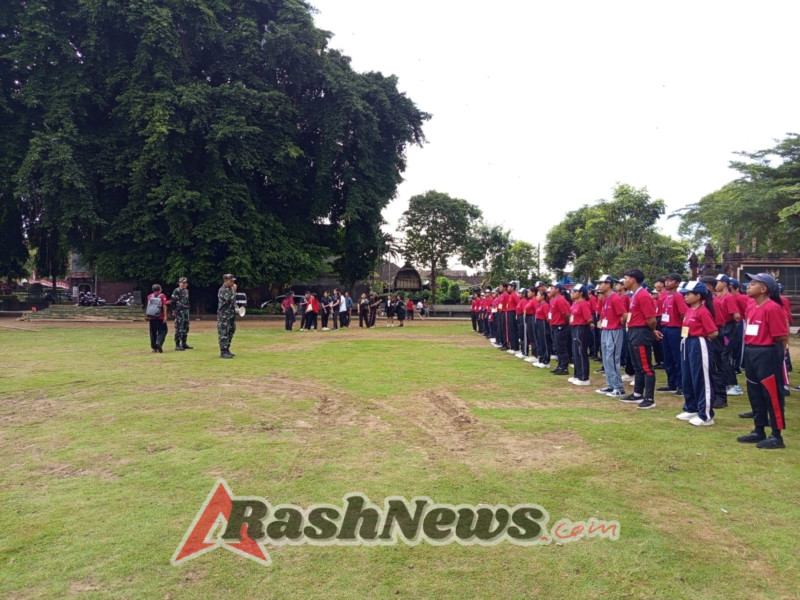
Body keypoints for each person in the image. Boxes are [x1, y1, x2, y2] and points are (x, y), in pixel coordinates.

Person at [737, 272, 789, 449]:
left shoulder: (772, 308)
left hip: (767, 353)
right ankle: (759, 429)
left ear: (764, 288)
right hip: (751, 351)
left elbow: (781, 337)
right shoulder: (751, 305)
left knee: (772, 394)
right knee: (754, 391)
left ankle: (776, 435)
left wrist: (776, 358)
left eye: (753, 283)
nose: (748, 286)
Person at [676, 281, 719, 426]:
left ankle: (706, 414)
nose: (685, 297)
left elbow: (713, 332)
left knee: (701, 377)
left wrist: (701, 339)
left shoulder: (703, 311)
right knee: (687, 376)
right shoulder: (690, 310)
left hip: (698, 344)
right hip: (687, 342)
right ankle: (691, 407)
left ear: (698, 295)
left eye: (688, 294)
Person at [620, 269, 657, 409]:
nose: (624, 281)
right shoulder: (634, 295)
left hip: (641, 332)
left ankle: (649, 398)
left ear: (633, 280)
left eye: (626, 278)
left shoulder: (643, 296)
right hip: (634, 331)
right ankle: (637, 394)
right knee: (637, 366)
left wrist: (651, 331)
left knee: (646, 367)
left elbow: (651, 319)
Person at [593, 274, 627, 398]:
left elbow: (624, 315)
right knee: (607, 358)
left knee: (612, 358)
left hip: (614, 330)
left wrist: (618, 325)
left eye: (601, 283)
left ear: (608, 284)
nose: (599, 285)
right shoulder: (606, 299)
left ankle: (618, 387)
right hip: (606, 330)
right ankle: (610, 385)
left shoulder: (615, 298)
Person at [655, 273, 688, 395]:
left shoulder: (678, 296)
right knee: (667, 357)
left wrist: (683, 330)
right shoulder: (666, 296)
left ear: (677, 283)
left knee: (677, 357)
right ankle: (671, 383)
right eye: (667, 280)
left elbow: (684, 314)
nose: (667, 282)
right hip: (666, 328)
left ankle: (681, 385)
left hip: (675, 329)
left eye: (671, 280)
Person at [568, 284, 594, 386]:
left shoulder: (584, 304)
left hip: (581, 328)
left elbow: (588, 318)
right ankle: (577, 374)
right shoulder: (575, 303)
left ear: (581, 293)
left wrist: (588, 325)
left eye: (575, 291)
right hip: (574, 327)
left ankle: (584, 377)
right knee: (575, 352)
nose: (572, 293)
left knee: (580, 351)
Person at [547, 284, 571, 375]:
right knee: (557, 347)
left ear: (557, 290)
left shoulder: (560, 300)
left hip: (560, 326)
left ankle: (564, 367)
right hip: (554, 325)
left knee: (561, 347)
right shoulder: (553, 300)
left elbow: (565, 314)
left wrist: (564, 324)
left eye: (552, 288)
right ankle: (560, 365)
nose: (550, 290)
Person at [217, 274, 237, 358]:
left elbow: (233, 302)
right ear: (226, 280)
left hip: (231, 314)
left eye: (233, 281)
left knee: (231, 330)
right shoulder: (222, 290)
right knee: (223, 332)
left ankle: (227, 348)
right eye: (231, 281)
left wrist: (237, 308)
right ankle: (223, 351)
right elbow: (227, 300)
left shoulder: (230, 289)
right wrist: (234, 291)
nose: (233, 282)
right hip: (224, 315)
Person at [170, 277, 193, 351]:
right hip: (179, 311)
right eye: (182, 283)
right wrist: (174, 310)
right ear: (179, 283)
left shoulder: (186, 291)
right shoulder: (176, 291)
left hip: (186, 311)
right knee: (179, 327)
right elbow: (173, 301)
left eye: (185, 283)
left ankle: (184, 343)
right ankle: (177, 344)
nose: (184, 284)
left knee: (186, 327)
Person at [146, 284, 169, 353]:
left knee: (153, 332)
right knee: (163, 330)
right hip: (160, 317)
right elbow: (164, 306)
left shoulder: (150, 296)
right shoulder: (162, 296)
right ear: (160, 289)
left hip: (151, 317)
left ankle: (154, 348)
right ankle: (159, 342)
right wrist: (165, 316)